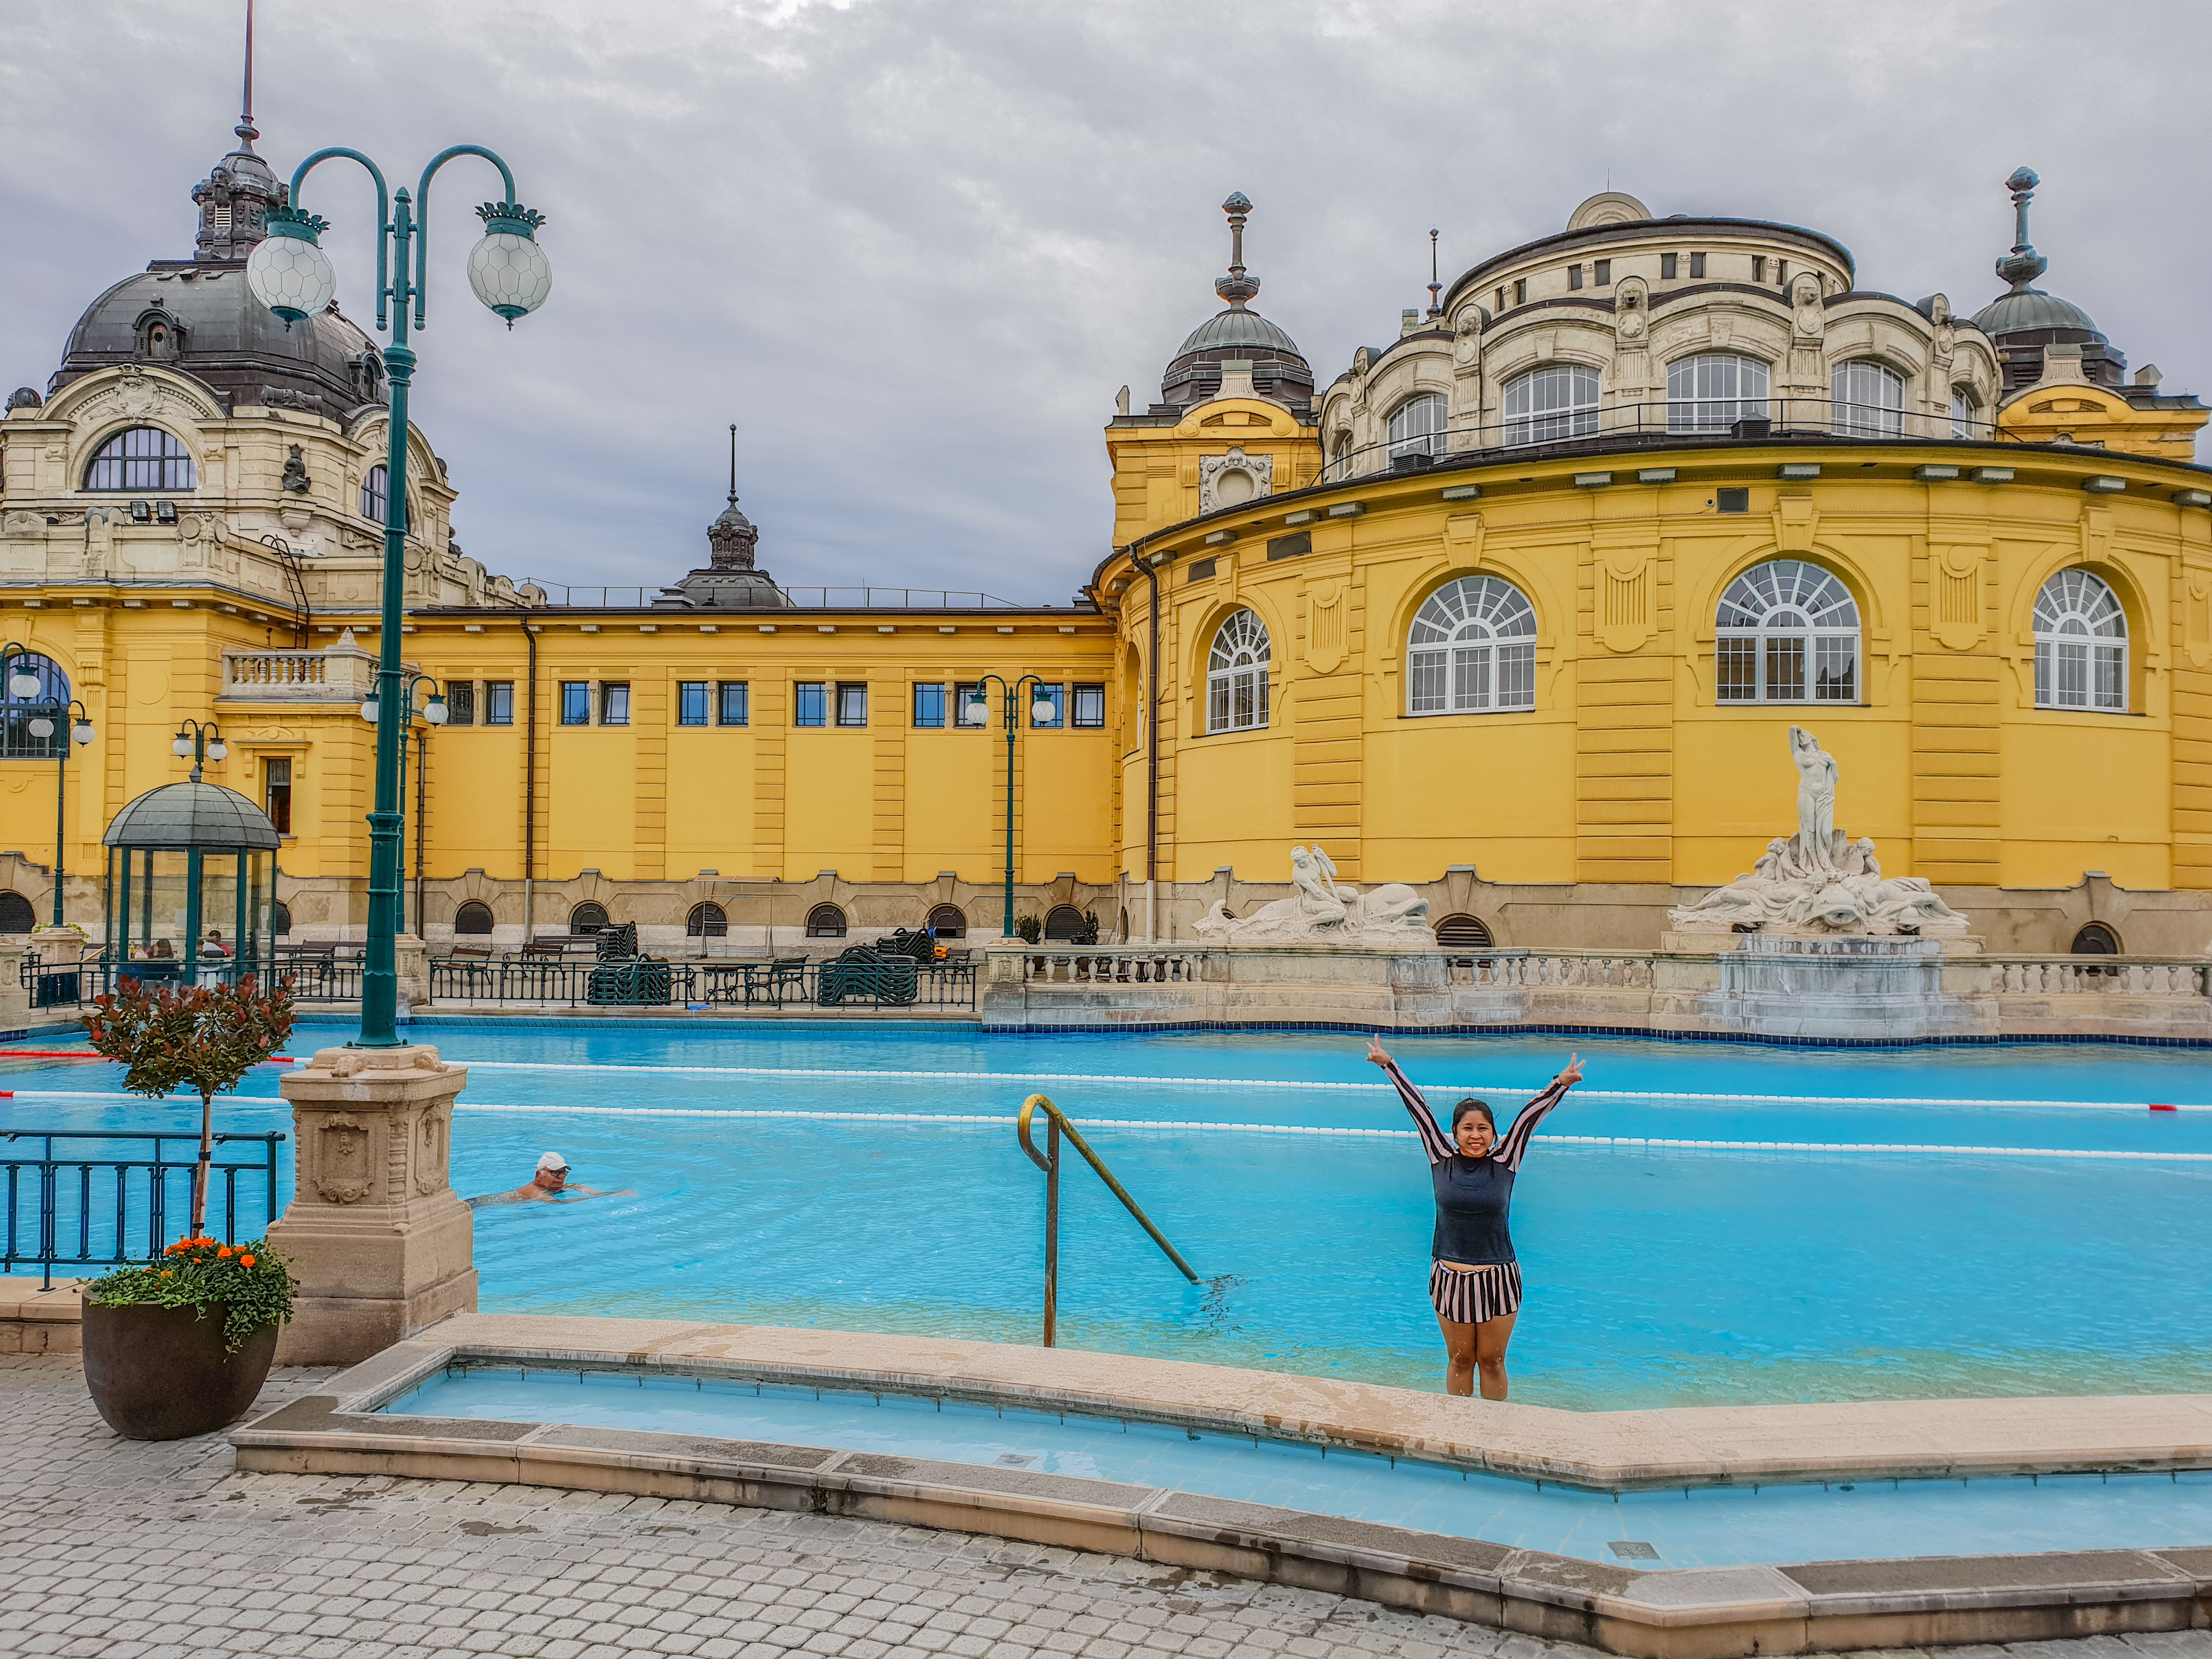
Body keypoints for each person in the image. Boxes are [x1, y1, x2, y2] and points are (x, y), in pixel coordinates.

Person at [1365, 1036, 1584, 1401]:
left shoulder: (1505, 1161)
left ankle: (1493, 1436)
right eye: (1467, 1128)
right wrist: (1389, 1066)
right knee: (1460, 1358)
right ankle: (1460, 1434)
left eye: (1483, 1128)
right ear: (1454, 1133)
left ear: (1493, 1134)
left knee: (1493, 1360)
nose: (1476, 1135)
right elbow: (1417, 1108)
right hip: (1450, 1278)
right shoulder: (1440, 1159)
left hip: (1498, 1276)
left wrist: (1558, 1084)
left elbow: (1528, 1120)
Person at [467, 1152, 633, 1208]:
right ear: (539, 1175)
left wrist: (616, 1193)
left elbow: (596, 1193)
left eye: (563, 1173)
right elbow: (556, 1204)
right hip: (485, 1203)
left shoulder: (560, 1185)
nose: (560, 1177)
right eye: (555, 1173)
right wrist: (609, 1198)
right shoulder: (536, 1192)